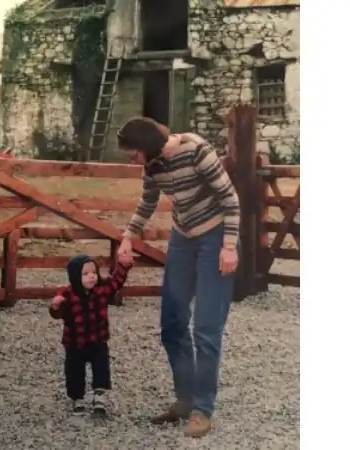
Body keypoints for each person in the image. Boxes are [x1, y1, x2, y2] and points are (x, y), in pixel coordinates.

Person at [115, 117, 240, 438]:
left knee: (205, 328)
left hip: (215, 236)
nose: (133, 160)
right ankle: (185, 399)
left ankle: (203, 409)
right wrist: (128, 238)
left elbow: (230, 199)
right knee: (172, 323)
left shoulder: (197, 150)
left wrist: (228, 247)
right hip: (183, 237)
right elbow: (147, 202)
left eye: (134, 154)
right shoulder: (153, 165)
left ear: (148, 145)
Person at [49, 252, 134, 416]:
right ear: (75, 276)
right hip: (75, 342)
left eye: (94, 272)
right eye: (85, 274)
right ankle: (77, 398)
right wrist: (55, 306)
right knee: (74, 371)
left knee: (101, 368)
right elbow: (57, 314)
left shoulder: (102, 289)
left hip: (98, 340)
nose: (91, 277)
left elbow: (116, 282)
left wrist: (123, 266)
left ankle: (99, 398)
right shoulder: (67, 294)